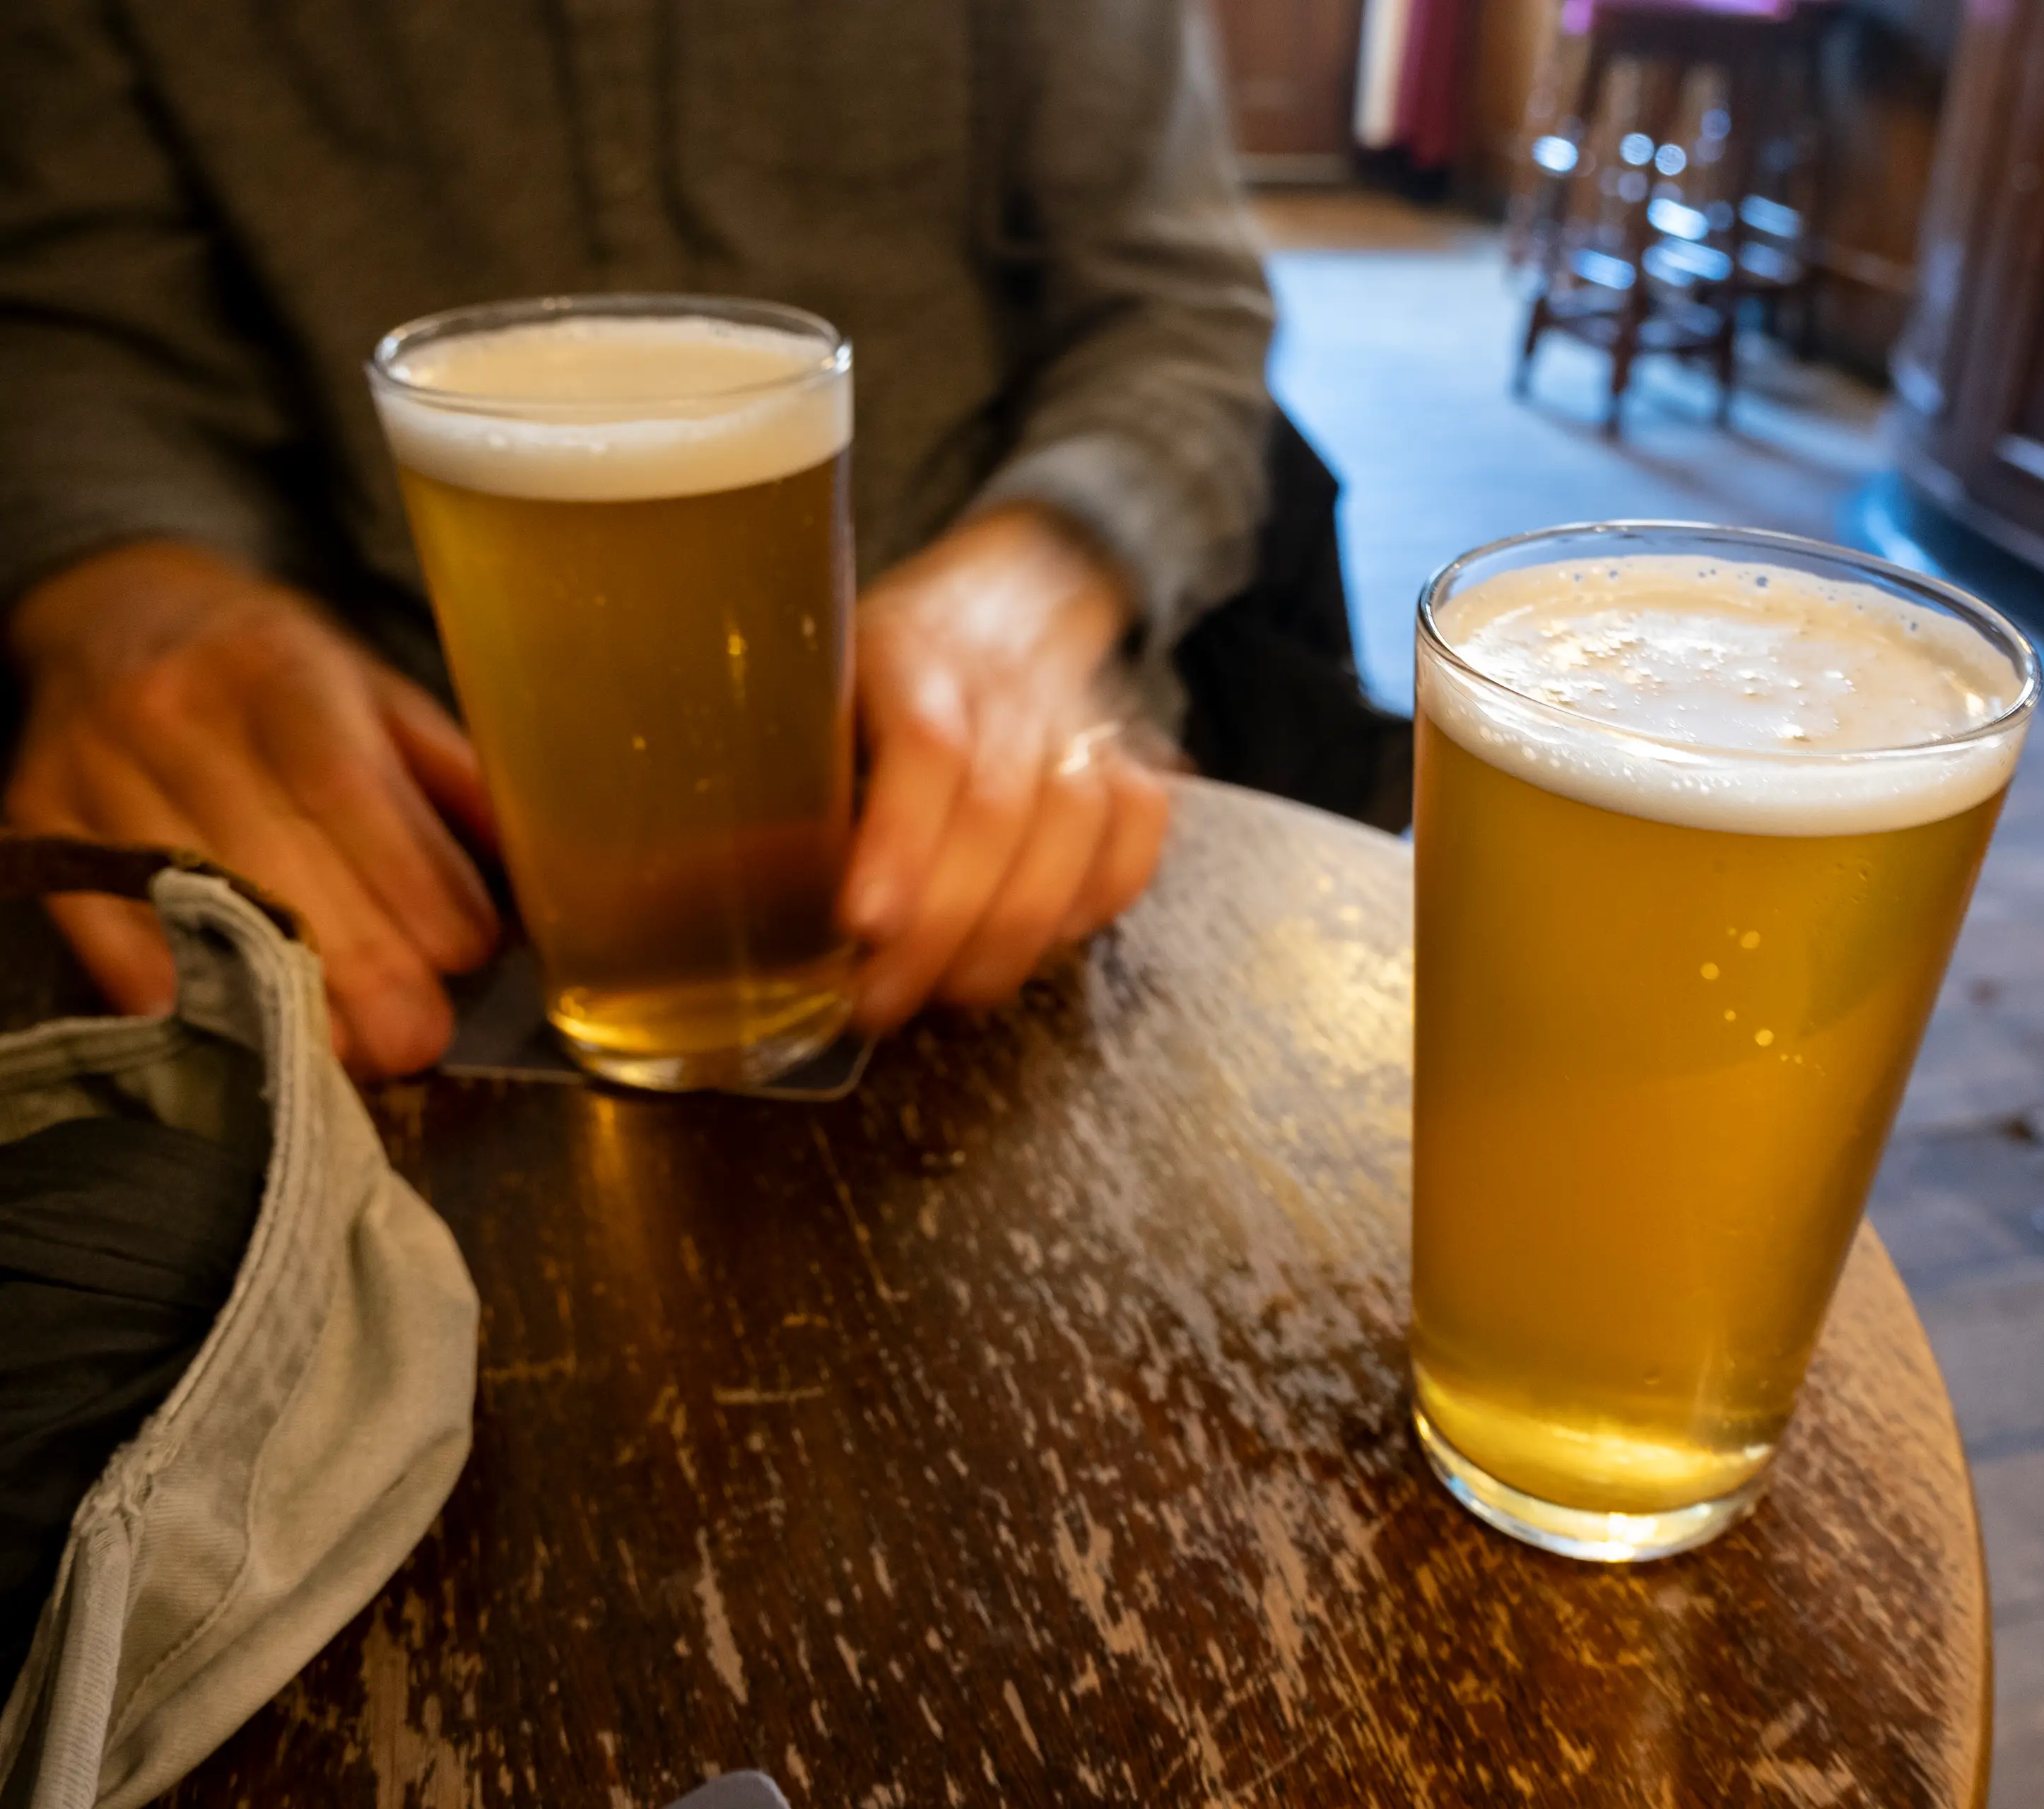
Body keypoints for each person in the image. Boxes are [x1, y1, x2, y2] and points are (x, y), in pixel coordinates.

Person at [0, 0, 1277, 1078]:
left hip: (997, 831)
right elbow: (70, 330)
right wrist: (131, 602)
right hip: (395, 837)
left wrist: (1029, 593)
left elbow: (1177, 310)